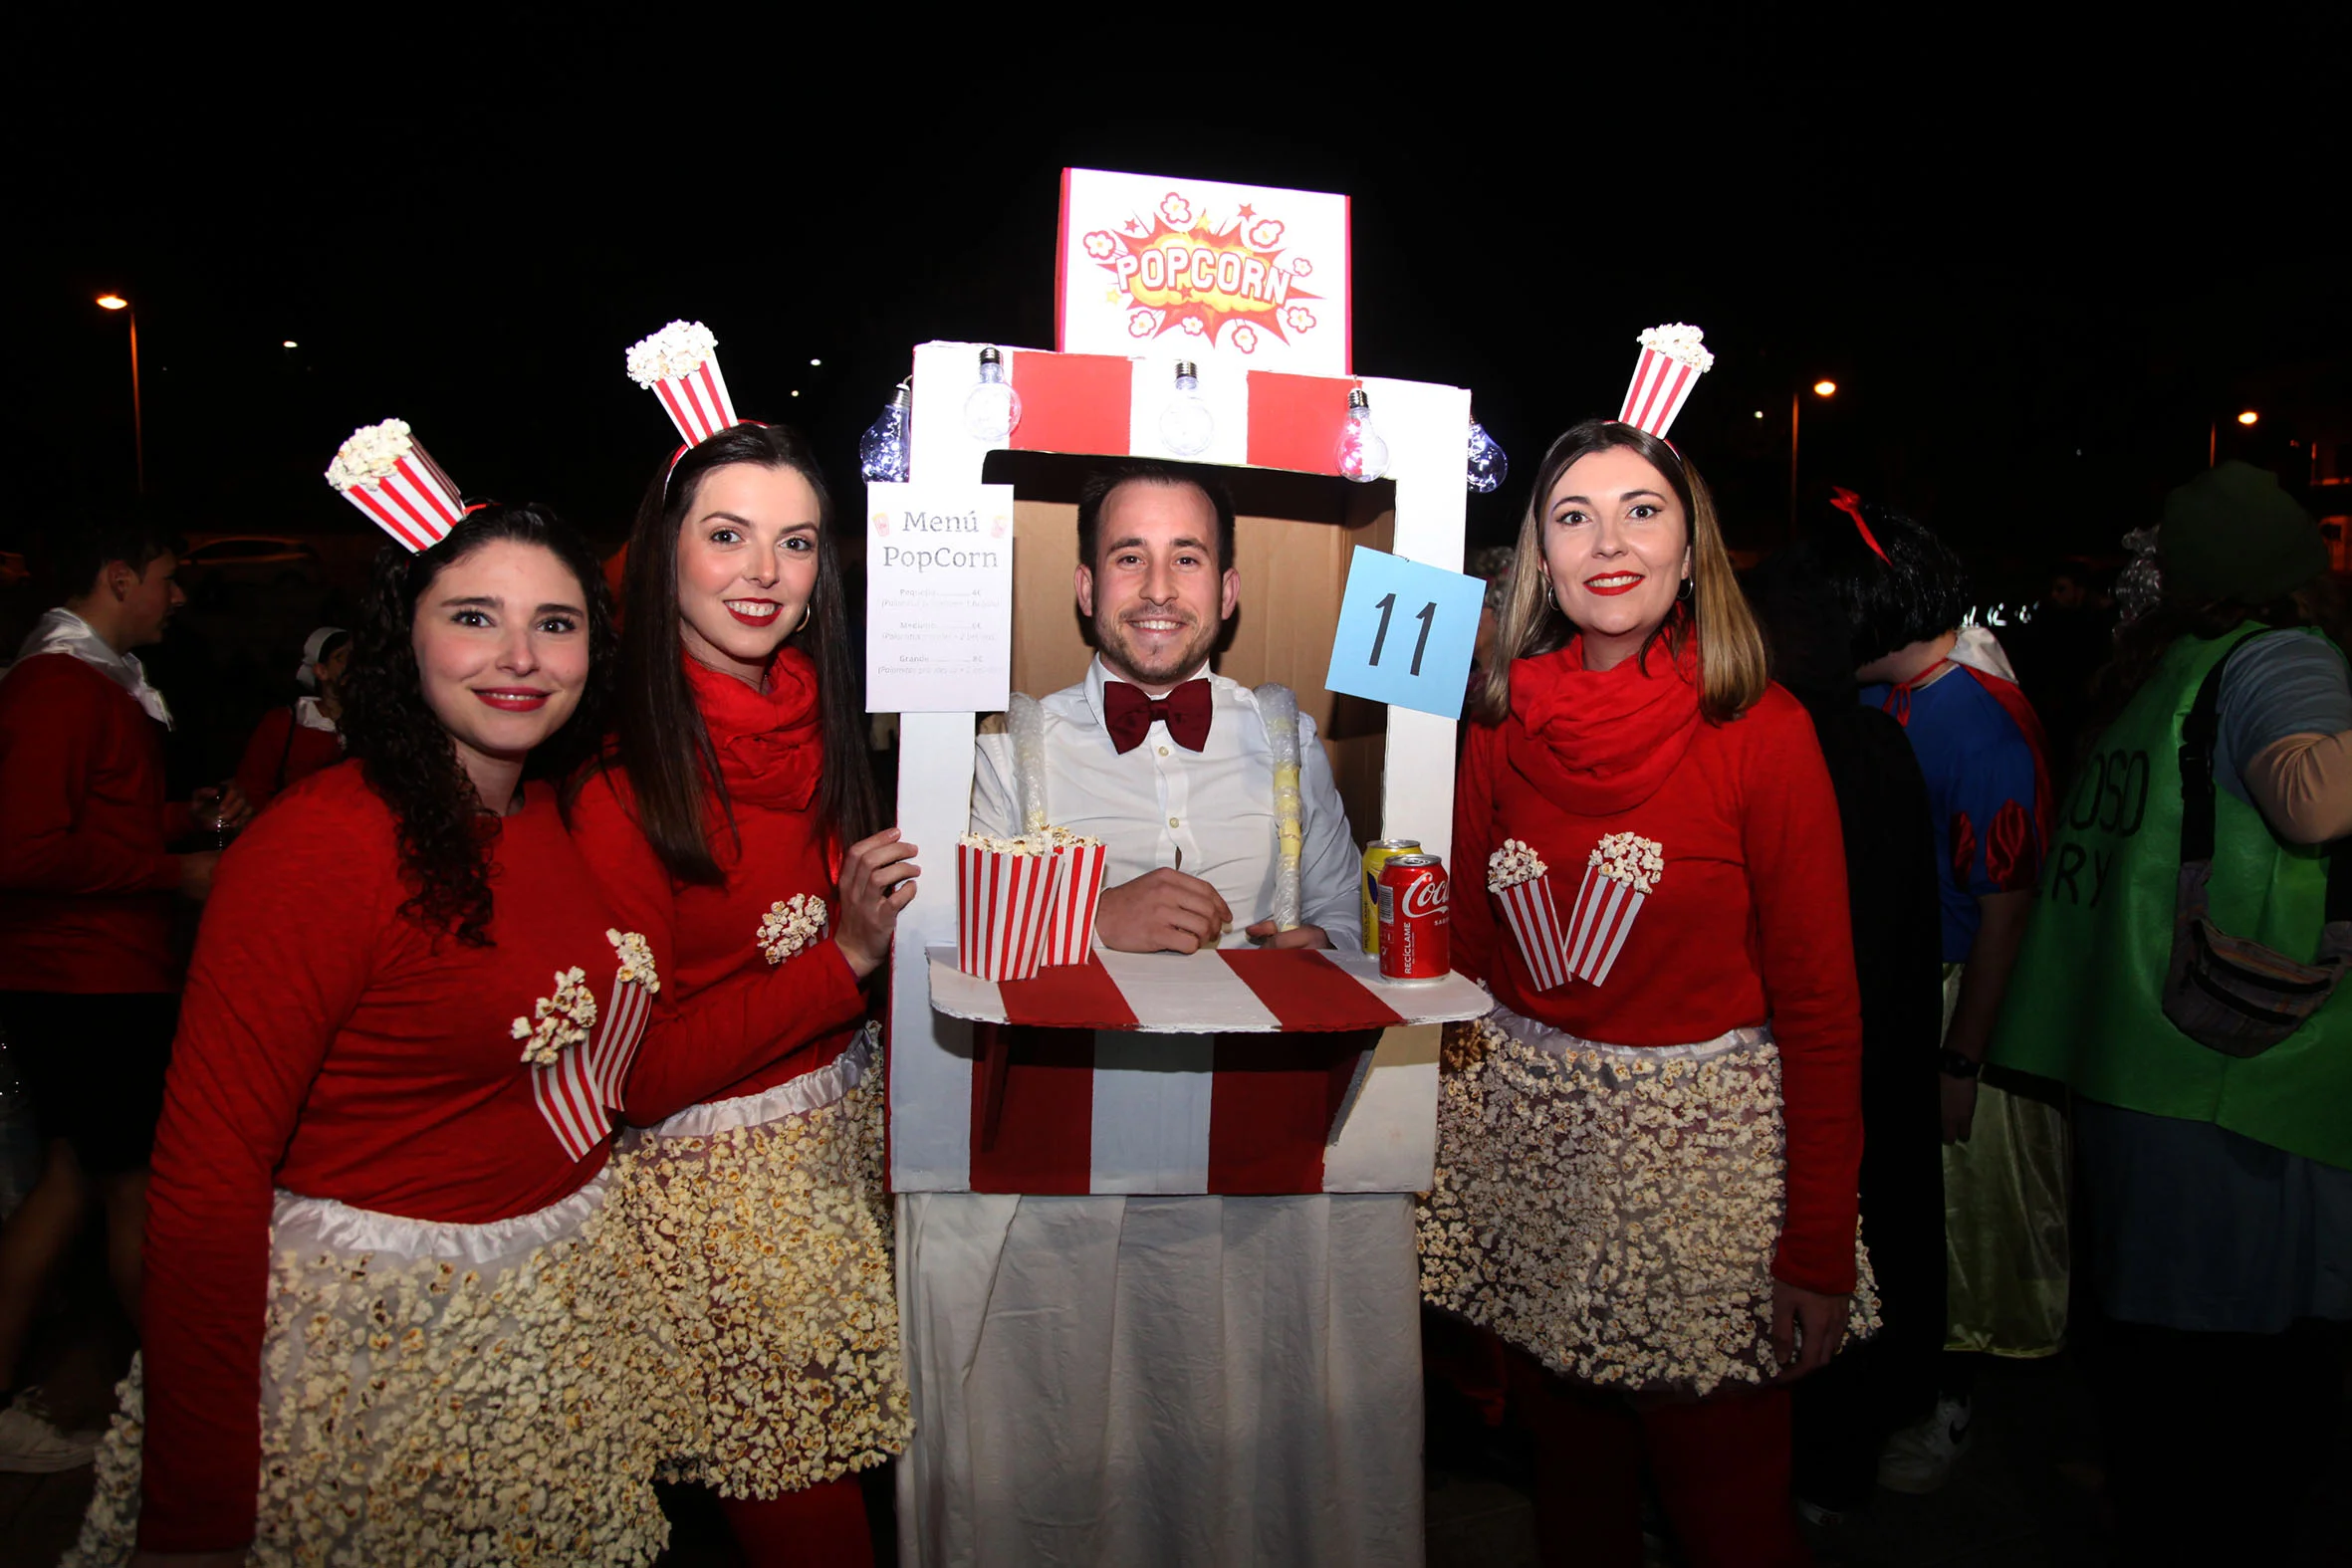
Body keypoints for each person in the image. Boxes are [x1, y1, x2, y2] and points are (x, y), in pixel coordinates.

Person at [65, 503, 693, 1566]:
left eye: (555, 622)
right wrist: (197, 1516)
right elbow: (206, 1188)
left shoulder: (551, 811)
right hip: (369, 1372)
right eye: (474, 617)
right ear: (404, 636)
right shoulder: (320, 848)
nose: (518, 657)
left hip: (547, 1358)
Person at [900, 461, 1414, 1566]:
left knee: (1240, 1465)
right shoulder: (1008, 750)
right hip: (1069, 1187)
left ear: (1228, 589)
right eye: (1128, 556)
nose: (1157, 586)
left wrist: (1305, 945)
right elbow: (960, 947)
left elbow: (1339, 920)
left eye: (1186, 557)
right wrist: (1094, 913)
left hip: (1257, 1179)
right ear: (1085, 586)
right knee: (1076, 1472)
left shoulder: (1289, 740)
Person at [1421, 417, 1872, 1568]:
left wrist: (1814, 1245)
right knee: (1572, 1506)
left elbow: (1821, 1009)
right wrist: (1450, 1196)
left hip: (1704, 1197)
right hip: (1533, 1169)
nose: (1607, 542)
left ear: (1690, 545)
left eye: (1641, 510)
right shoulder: (1493, 724)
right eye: (1573, 515)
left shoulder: (1762, 733)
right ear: (1539, 555)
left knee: (1728, 1521)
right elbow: (1466, 968)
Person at [1992, 461, 2352, 1560]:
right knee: (2243, 1397)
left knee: (2159, 1378)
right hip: (2239, 1078)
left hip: (2141, 1063)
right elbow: (2316, 798)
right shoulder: (2282, 658)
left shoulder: (2165, 673)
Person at [570, 423, 914, 1566]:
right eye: (728, 537)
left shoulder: (830, 729)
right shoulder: (621, 784)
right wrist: (844, 959)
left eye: (796, 543)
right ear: (665, 555)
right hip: (719, 1216)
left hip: (843, 1162)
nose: (764, 574)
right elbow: (637, 1074)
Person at [1811, 490, 2067, 1494]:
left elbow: (2005, 908)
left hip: (1965, 997)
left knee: (1969, 1224)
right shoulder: (1891, 699)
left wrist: (1963, 1057)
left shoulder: (1981, 725)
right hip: (1908, 983)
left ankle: (1952, 1401)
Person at [0, 507, 246, 1473]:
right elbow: (22, 848)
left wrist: (178, 816)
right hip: (83, 981)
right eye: (166, 577)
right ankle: (190, 1412)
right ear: (117, 577)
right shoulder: (58, 686)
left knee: (67, 1188)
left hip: (88, 975)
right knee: (142, 1195)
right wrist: (171, 874)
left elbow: (82, 814)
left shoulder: (85, 684)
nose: (176, 598)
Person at [1747, 548, 1948, 1527]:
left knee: (1812, 1264)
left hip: (1805, 1055)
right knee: (1868, 1255)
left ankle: (1804, 1474)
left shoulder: (1773, 746)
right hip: (1884, 1047)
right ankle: (1840, 1467)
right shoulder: (1878, 744)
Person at [230, 627, 349, 812]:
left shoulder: (375, 724)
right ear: (321, 671)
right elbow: (252, 791)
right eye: (341, 657)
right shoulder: (283, 725)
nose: (354, 664)